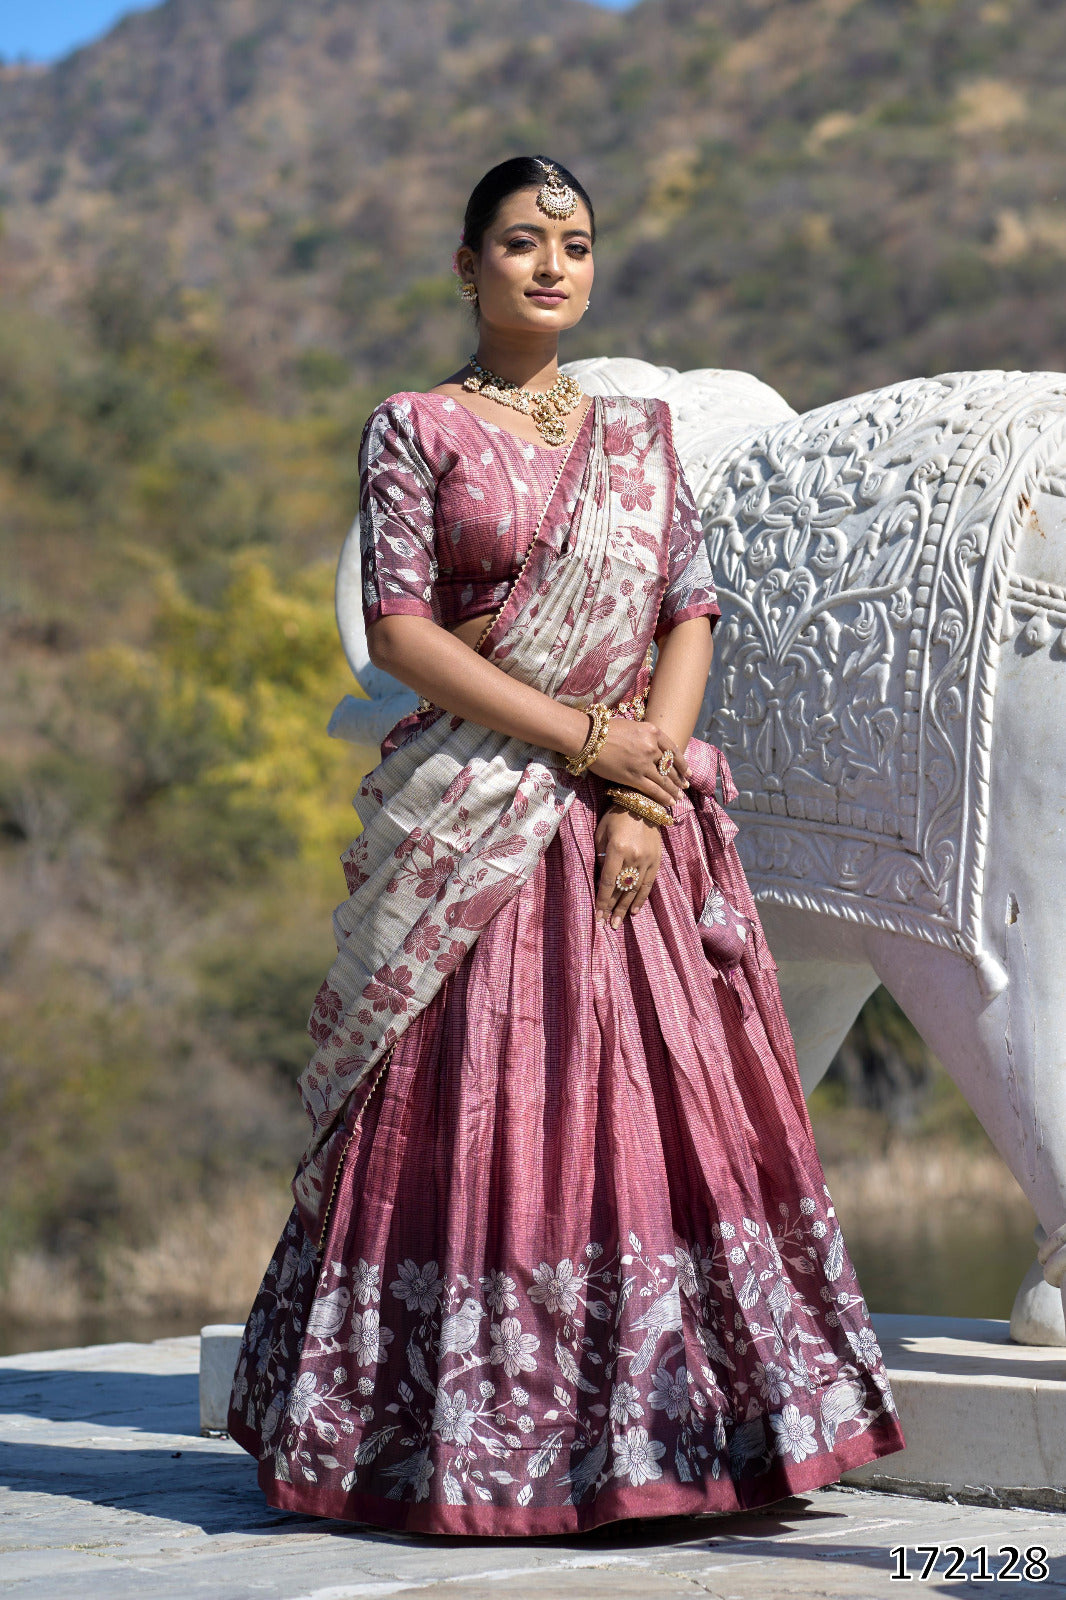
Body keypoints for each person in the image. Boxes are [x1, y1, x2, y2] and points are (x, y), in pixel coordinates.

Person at [227, 155, 905, 1536]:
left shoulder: (639, 437)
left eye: (575, 244)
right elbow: (406, 628)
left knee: (659, 1106)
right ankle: (460, 1449)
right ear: (465, 265)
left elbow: (688, 604)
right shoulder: (413, 426)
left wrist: (646, 789)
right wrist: (583, 747)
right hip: (480, 818)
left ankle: (679, 1435)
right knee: (483, 1105)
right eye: (522, 242)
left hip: (632, 827)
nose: (551, 265)